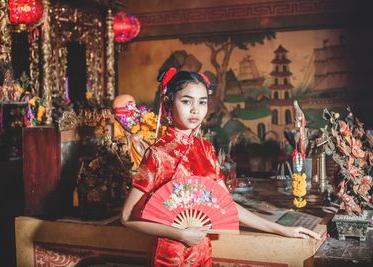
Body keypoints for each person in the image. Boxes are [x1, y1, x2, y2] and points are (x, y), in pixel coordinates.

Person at [121, 69, 320, 266]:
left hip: (203, 254)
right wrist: (180, 233)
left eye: (202, 102)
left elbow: (227, 206)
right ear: (168, 103)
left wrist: (282, 230)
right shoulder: (158, 153)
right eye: (186, 101)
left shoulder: (206, 149)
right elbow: (127, 217)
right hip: (169, 257)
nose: (195, 110)